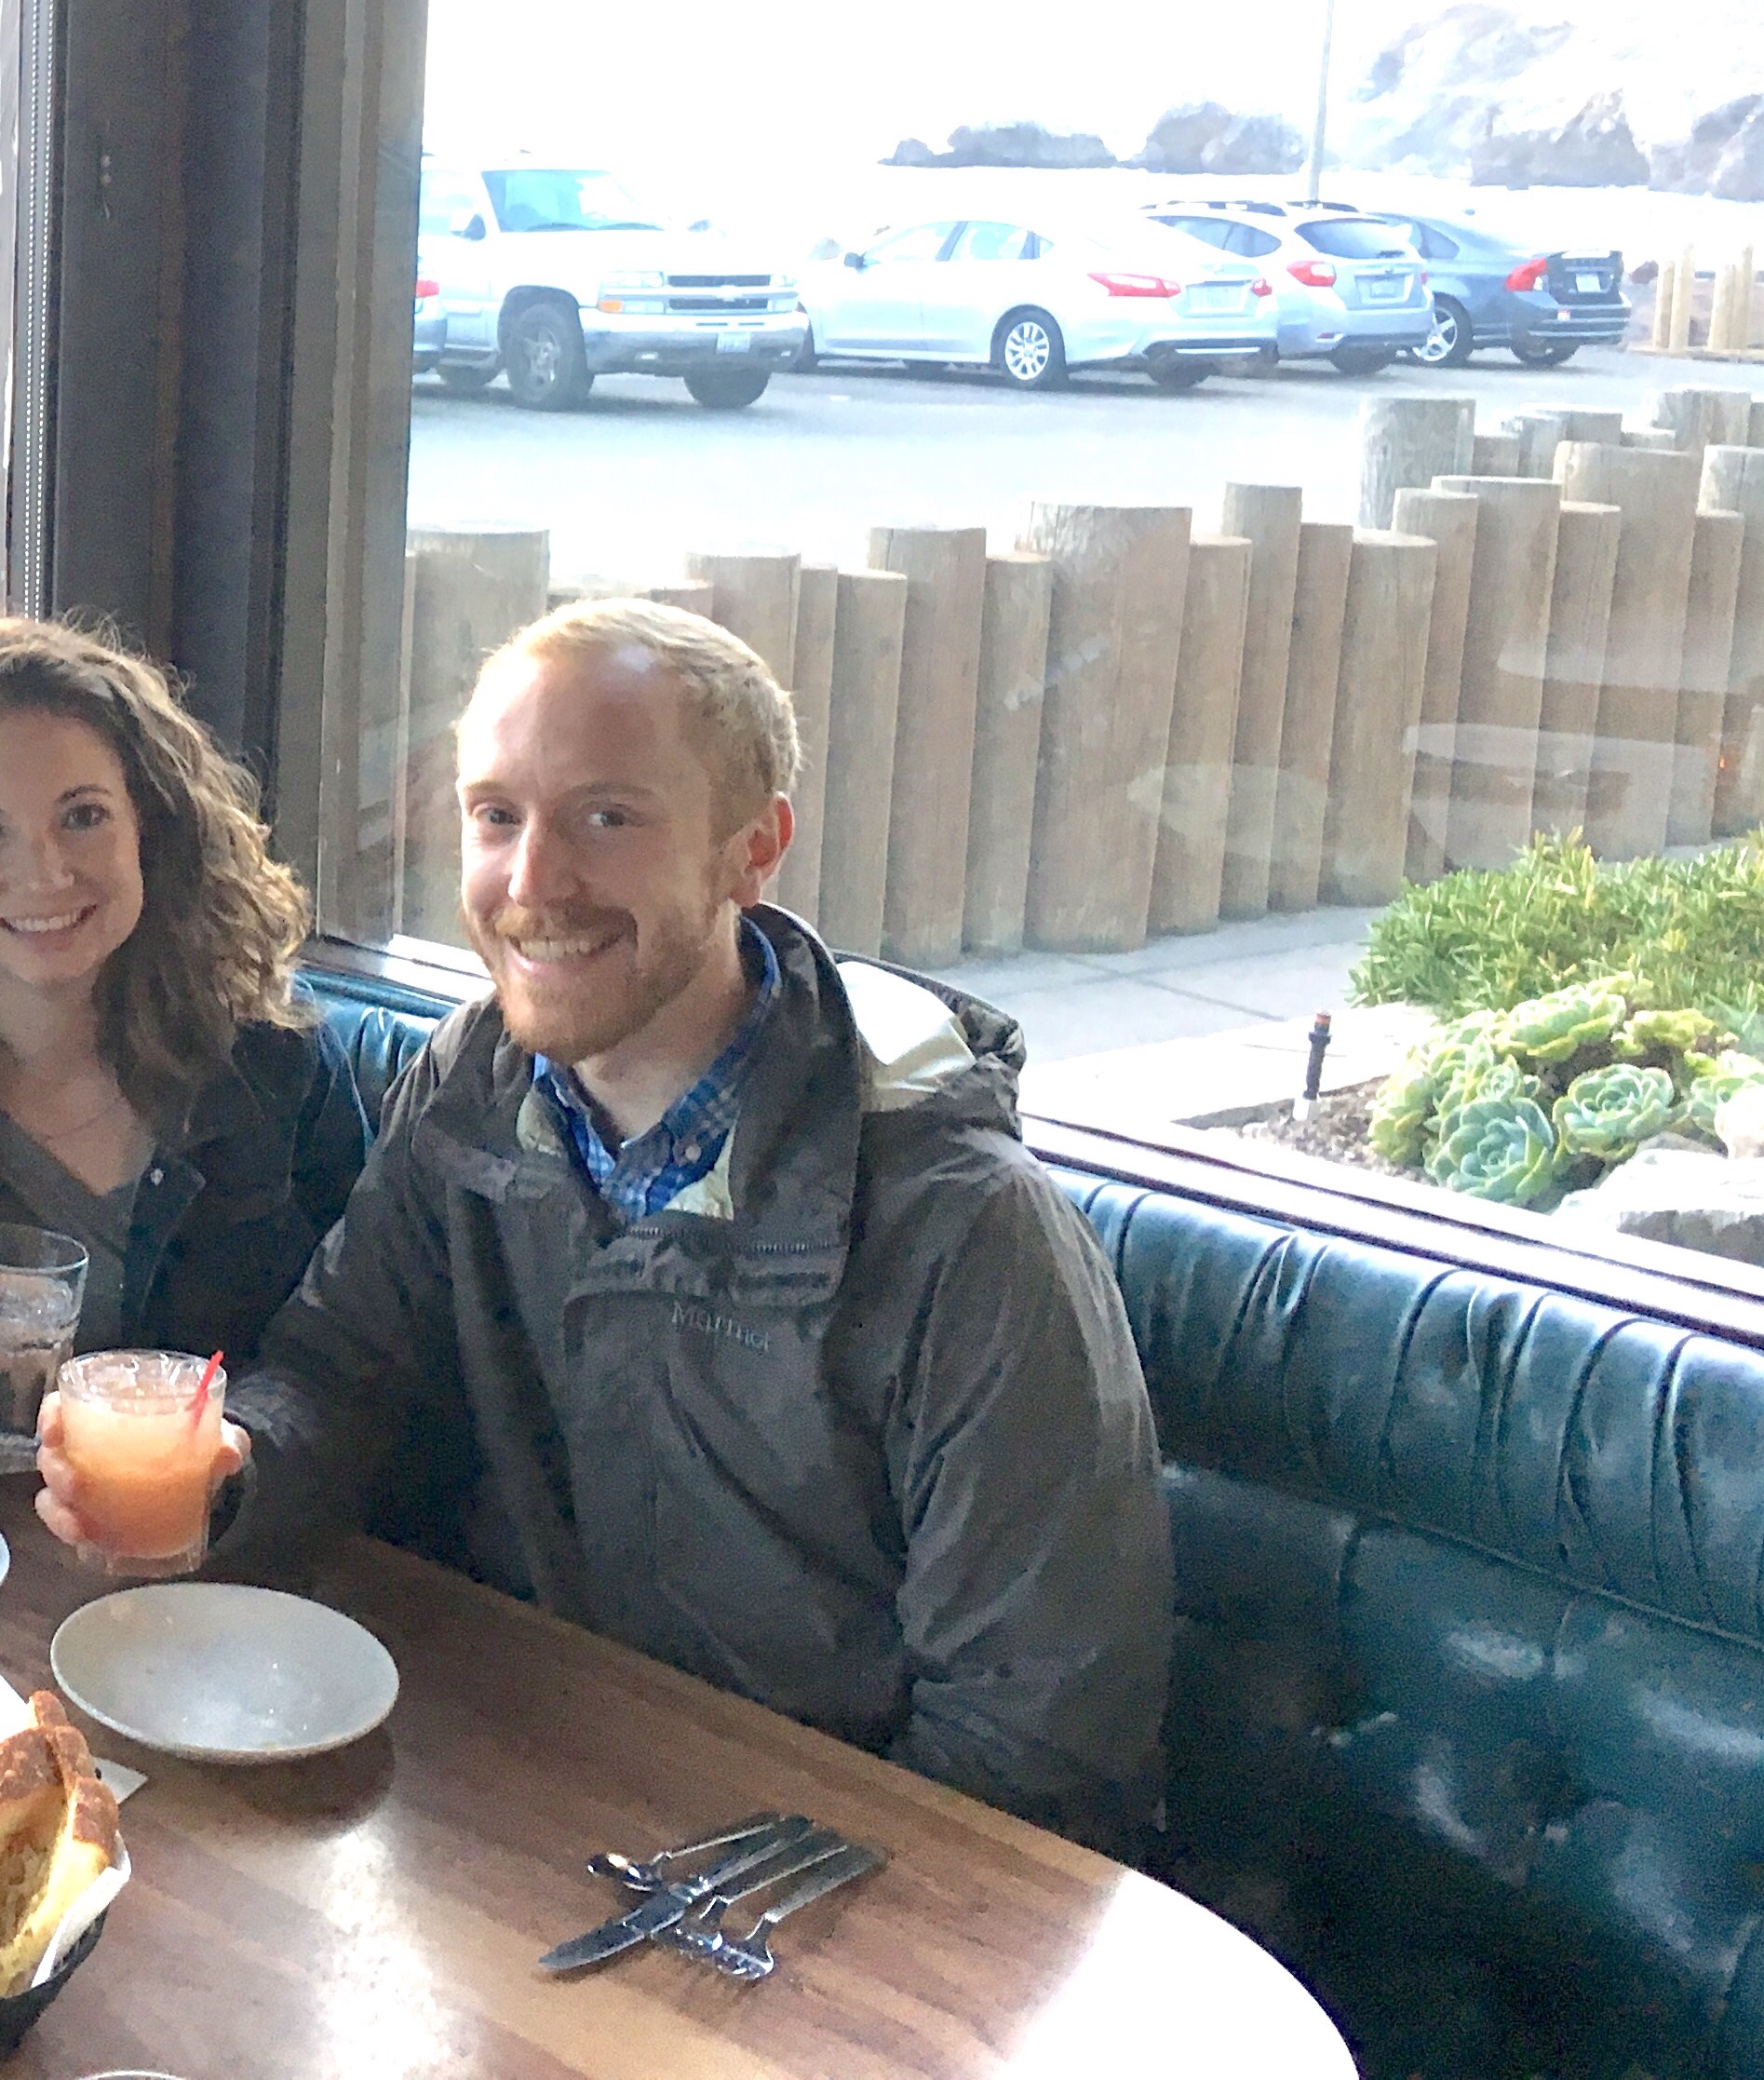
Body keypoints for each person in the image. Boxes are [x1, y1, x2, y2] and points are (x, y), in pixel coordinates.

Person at [101, 596, 1174, 1849]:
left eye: (605, 817)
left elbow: (1031, 1752)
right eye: (496, 816)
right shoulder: (472, 1080)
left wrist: (760, 1902)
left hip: (803, 1881)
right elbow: (343, 1369)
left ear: (749, 848)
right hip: (520, 1791)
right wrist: (229, 1472)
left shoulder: (968, 1231)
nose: (531, 883)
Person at [0, 616, 371, 1374]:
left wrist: (234, 1439)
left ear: (147, 827)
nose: (43, 874)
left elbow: (356, 1368)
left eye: (82, 817)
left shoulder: (279, 1067)